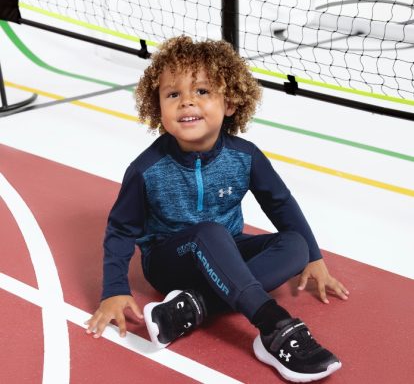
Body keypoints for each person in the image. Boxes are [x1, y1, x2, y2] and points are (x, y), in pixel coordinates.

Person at [85, 35, 349, 382]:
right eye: (173, 94)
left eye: (202, 91)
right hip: (169, 262)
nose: (187, 101)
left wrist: (313, 257)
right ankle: (272, 325)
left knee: (294, 245)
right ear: (158, 107)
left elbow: (280, 202)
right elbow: (121, 230)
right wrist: (114, 290)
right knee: (208, 233)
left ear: (230, 103)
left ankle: (191, 308)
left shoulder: (245, 156)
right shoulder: (146, 169)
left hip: (226, 254)